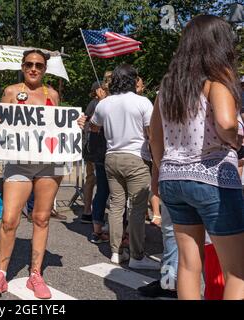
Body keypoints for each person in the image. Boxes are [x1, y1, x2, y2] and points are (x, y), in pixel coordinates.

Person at [150, 15, 244, 300]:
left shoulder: (169, 86)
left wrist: (162, 167)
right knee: (238, 271)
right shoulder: (219, 79)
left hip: (173, 176)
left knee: (189, 264)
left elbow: (154, 135)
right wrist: (236, 140)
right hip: (213, 176)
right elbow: (227, 123)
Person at [0, 49, 61, 299]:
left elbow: (59, 127)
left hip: (48, 164)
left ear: (44, 69)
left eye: (39, 65)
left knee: (41, 218)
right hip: (19, 163)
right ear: (22, 65)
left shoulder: (53, 94)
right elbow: (0, 127)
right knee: (9, 219)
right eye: (29, 64)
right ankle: (1, 273)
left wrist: (76, 124)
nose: (33, 69)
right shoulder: (10, 91)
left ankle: (36, 274)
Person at [78, 64, 160, 270]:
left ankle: (116, 252)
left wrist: (86, 123)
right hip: (136, 158)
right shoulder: (142, 102)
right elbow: (151, 133)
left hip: (111, 157)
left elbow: (94, 127)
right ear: (132, 80)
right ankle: (137, 255)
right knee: (137, 208)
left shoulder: (104, 104)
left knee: (115, 206)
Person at [137, 77, 162, 227]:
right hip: (140, 150)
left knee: (152, 182)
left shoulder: (146, 103)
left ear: (143, 87)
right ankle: (146, 212)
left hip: (148, 148)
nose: (136, 87)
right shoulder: (129, 102)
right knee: (144, 185)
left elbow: (151, 128)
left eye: (139, 85)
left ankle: (156, 213)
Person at [80, 81, 104, 223]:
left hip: (92, 146)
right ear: (96, 91)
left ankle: (87, 210)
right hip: (94, 146)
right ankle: (88, 210)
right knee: (93, 179)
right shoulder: (96, 104)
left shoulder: (97, 103)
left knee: (91, 179)